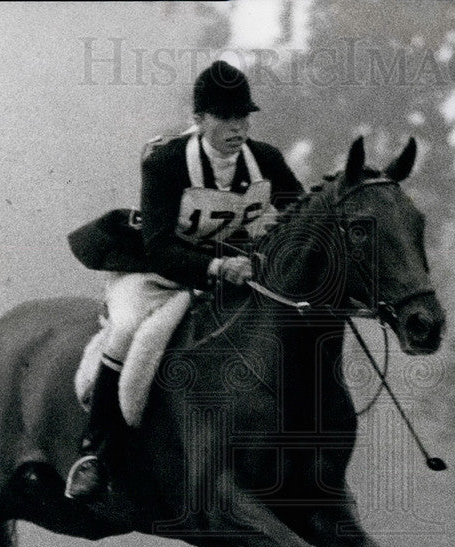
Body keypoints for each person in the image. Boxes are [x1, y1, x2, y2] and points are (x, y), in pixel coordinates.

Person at [65, 60, 304, 500]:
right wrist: (215, 266)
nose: (238, 127)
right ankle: (95, 450)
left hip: (220, 278)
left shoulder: (265, 160)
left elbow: (300, 216)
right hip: (153, 274)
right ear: (198, 120)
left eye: (244, 117)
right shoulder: (168, 162)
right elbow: (158, 247)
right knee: (127, 330)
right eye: (225, 118)